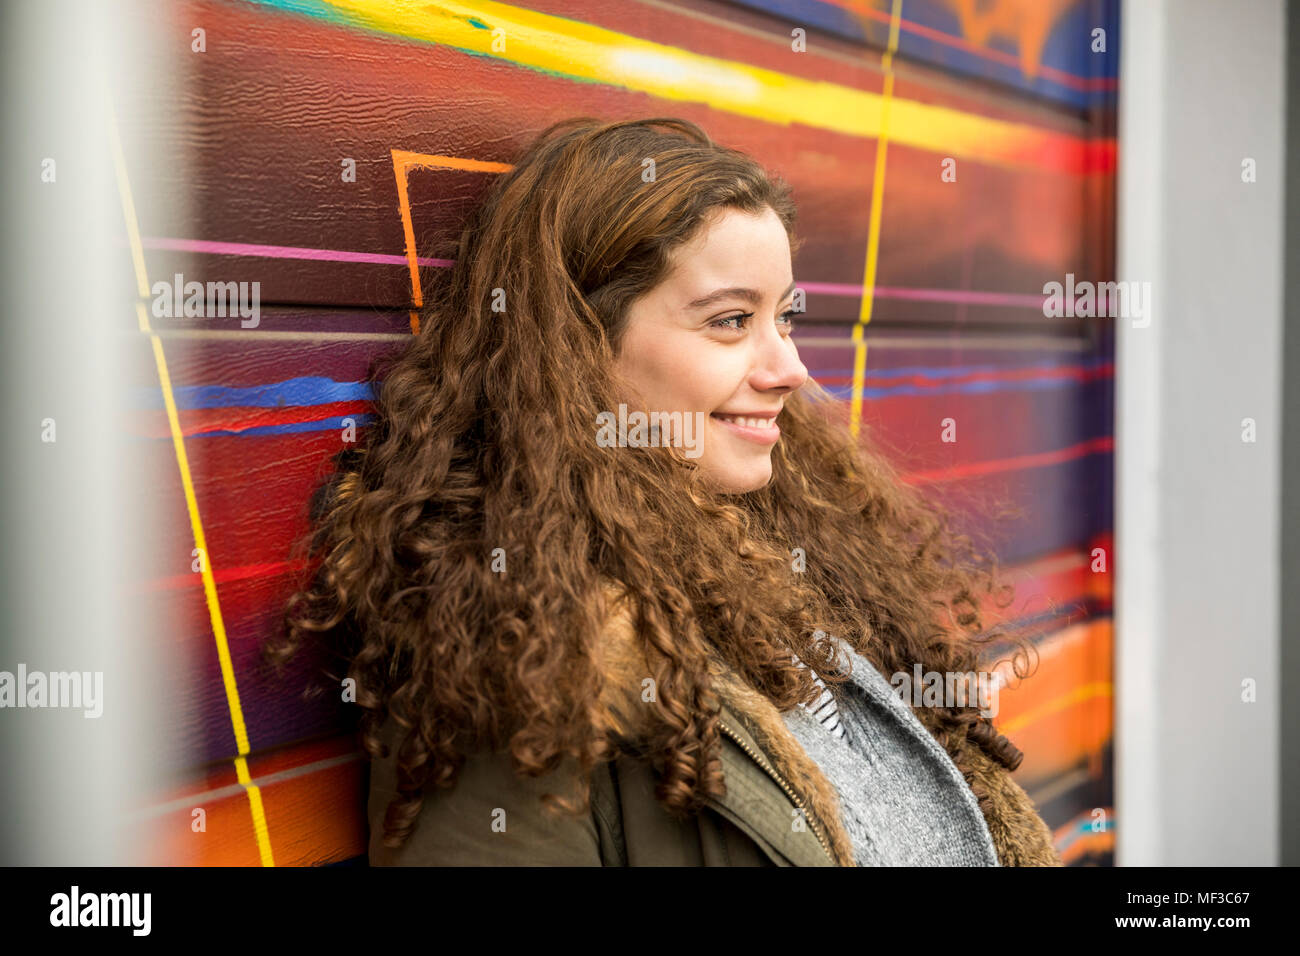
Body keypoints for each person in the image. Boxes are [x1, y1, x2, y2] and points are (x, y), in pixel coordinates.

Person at [266, 116, 1062, 866]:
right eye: (728, 321)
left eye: (783, 317)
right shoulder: (516, 653)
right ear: (580, 347)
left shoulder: (793, 570)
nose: (789, 369)